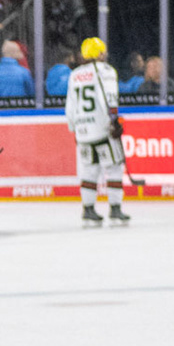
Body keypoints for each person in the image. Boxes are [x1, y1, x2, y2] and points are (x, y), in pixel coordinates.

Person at [67, 36, 128, 225]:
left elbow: (70, 105)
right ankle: (116, 209)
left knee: (89, 170)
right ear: (100, 53)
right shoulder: (107, 71)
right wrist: (114, 121)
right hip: (103, 129)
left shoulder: (75, 74)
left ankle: (88, 209)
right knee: (115, 167)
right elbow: (108, 97)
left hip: (84, 130)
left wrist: (74, 128)